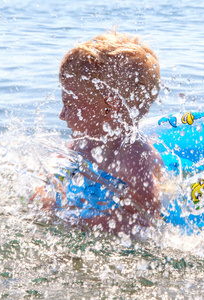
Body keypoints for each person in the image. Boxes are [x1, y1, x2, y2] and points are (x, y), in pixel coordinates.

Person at [34, 31, 164, 235]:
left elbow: (149, 222)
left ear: (109, 108)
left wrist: (87, 222)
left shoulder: (135, 157)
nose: (61, 115)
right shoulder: (84, 142)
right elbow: (57, 167)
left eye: (69, 104)